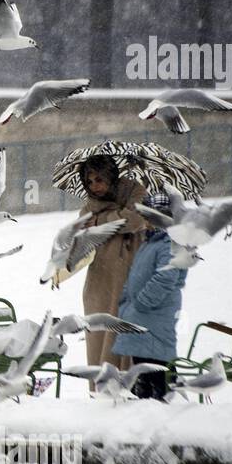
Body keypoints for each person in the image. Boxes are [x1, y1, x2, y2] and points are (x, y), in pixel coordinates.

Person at [111, 192, 189, 400]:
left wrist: (142, 302)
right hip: (141, 313)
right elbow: (135, 274)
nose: (147, 222)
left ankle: (160, 403)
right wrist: (126, 300)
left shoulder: (170, 243)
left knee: (157, 361)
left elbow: (166, 277)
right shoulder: (150, 242)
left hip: (156, 312)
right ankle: (143, 403)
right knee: (141, 363)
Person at [77, 154, 149, 368]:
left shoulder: (134, 191)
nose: (94, 186)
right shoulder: (91, 204)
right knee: (99, 338)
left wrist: (102, 220)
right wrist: (115, 217)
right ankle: (103, 394)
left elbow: (134, 220)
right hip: (100, 279)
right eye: (89, 182)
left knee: (126, 334)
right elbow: (80, 229)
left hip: (129, 275)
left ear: (110, 176)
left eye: (99, 179)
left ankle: (129, 391)